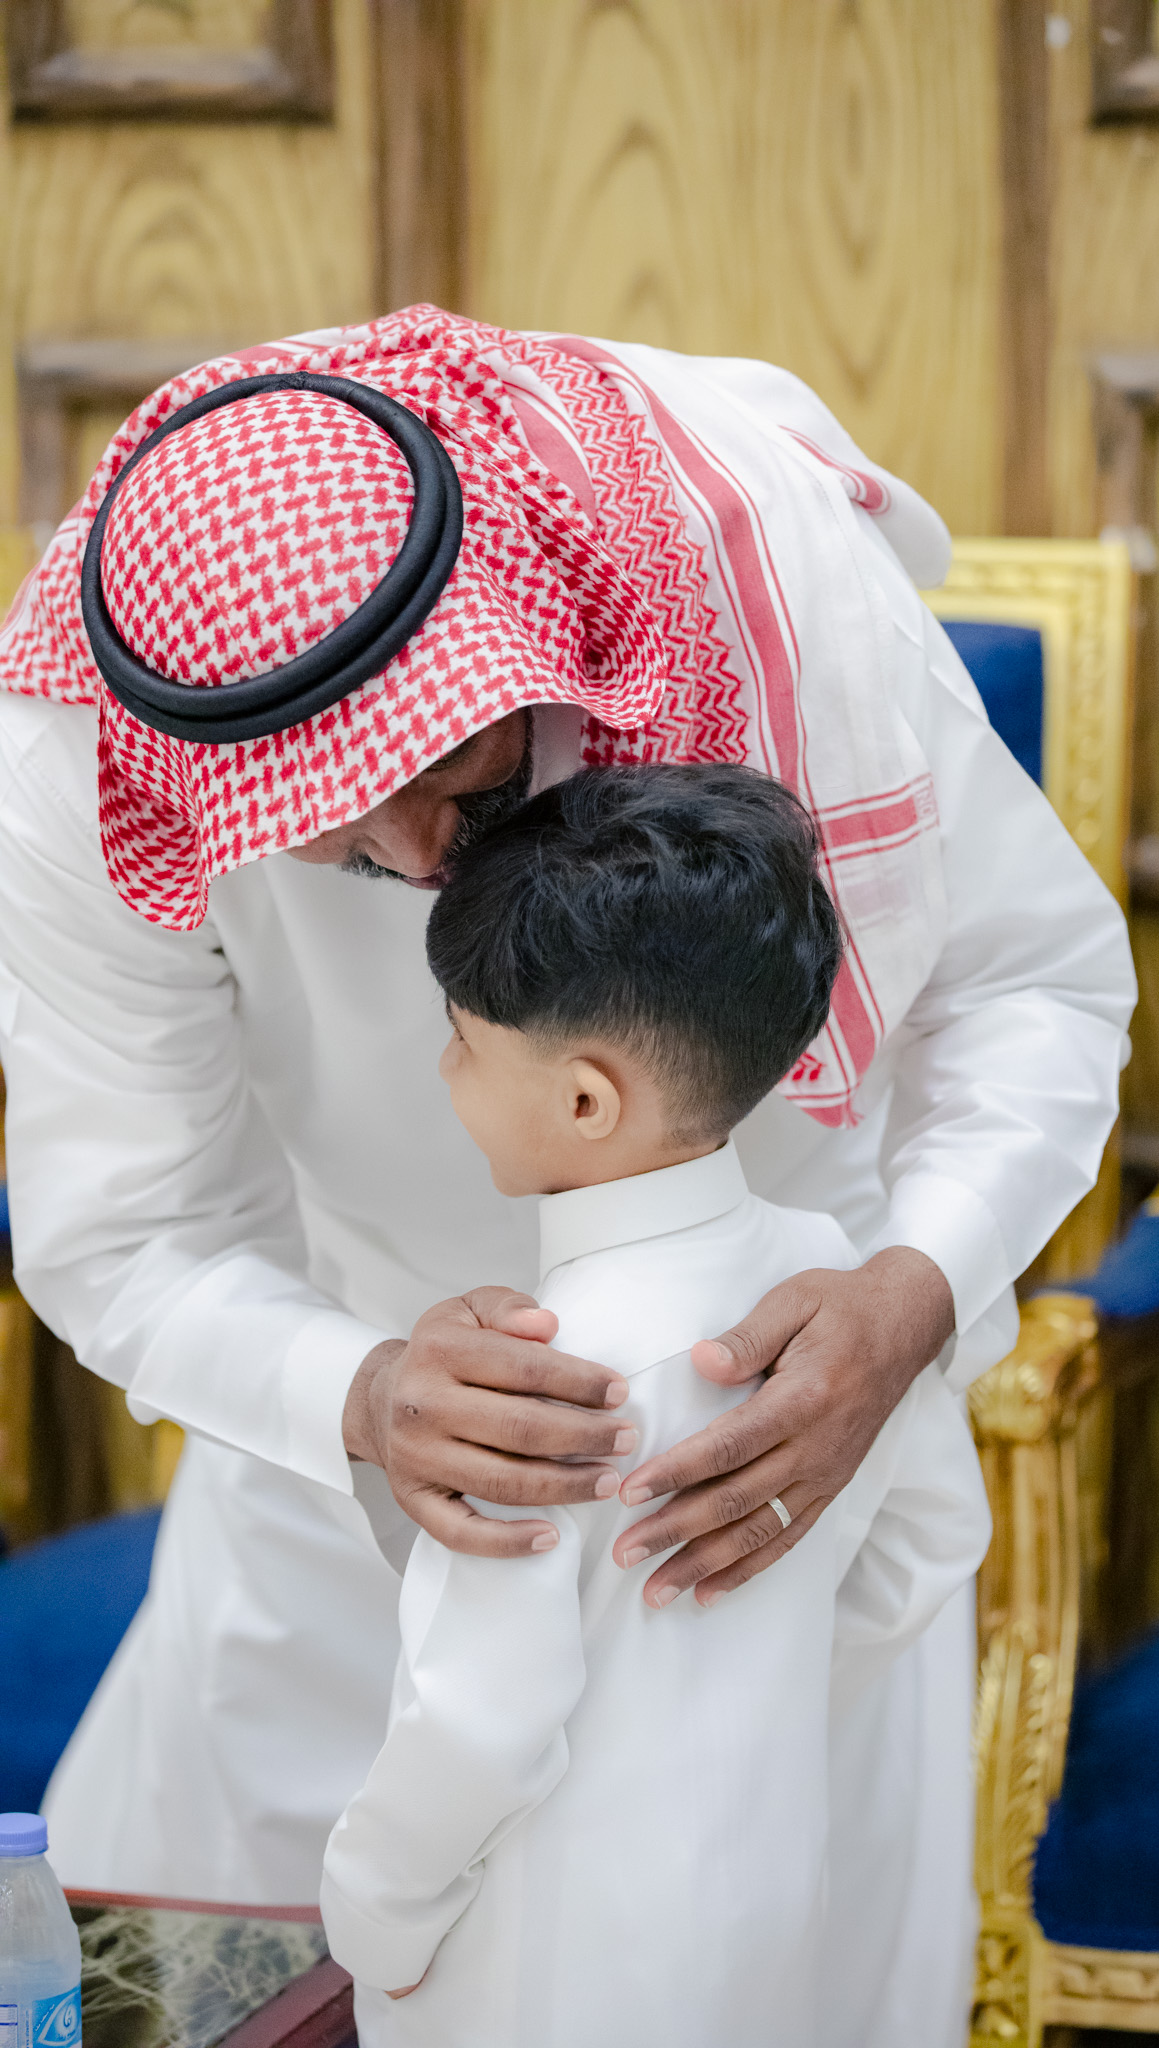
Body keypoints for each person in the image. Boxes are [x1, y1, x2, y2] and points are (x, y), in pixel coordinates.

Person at [0, 306, 1134, 2046]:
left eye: (445, 769)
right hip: (337, 1458)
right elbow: (134, 1234)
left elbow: (1032, 991)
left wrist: (908, 1303)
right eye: (324, 820)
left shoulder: (753, 574)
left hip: (799, 1446)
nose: (414, 862)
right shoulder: (87, 751)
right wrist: (366, 1393)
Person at [320, 760, 991, 2048]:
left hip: (545, 1957)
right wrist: (764, 1684)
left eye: (463, 1039)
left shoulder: (531, 1381)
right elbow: (931, 1539)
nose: (444, 1066)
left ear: (584, 1100)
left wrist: (374, 1911)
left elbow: (477, 1723)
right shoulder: (834, 1300)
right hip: (770, 1900)